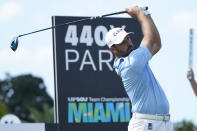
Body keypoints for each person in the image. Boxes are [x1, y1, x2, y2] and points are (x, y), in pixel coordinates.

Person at [105, 6, 173, 131]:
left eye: (128, 38)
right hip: (145, 124)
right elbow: (149, 38)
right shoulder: (131, 63)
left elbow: (157, 44)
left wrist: (147, 14)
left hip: (163, 123)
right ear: (113, 49)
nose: (129, 43)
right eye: (123, 42)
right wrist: (140, 14)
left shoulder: (134, 58)